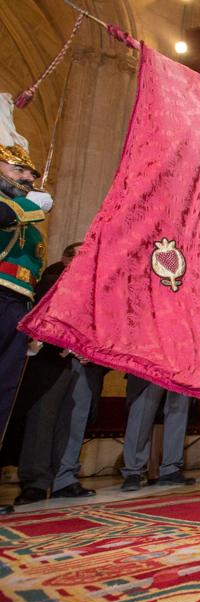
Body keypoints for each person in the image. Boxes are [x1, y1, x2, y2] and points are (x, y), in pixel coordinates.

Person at [10, 243, 95, 504]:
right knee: (42, 421)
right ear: (65, 259)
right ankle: (35, 481)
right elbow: (42, 320)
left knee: (69, 423)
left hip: (80, 362)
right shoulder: (50, 282)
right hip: (50, 361)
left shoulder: (89, 286)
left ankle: (63, 478)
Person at [0, 93, 53, 450]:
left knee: (3, 391)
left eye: (31, 174)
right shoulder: (19, 208)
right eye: (19, 171)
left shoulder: (32, 221)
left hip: (16, 307)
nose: (28, 179)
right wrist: (22, 205)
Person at [121, 376, 194, 490]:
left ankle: (171, 468)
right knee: (143, 409)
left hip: (182, 364)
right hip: (150, 363)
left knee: (178, 411)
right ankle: (133, 471)